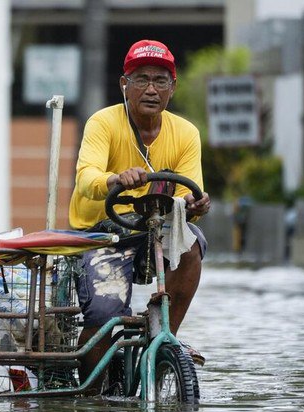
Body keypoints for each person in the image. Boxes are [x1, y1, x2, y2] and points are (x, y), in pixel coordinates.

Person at [70, 39, 211, 380]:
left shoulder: (186, 133)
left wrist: (197, 206)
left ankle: (165, 338)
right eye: (141, 79)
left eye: (160, 81)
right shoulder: (103, 123)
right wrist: (116, 179)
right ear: (125, 85)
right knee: (104, 314)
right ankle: (92, 393)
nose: (151, 89)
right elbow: (86, 176)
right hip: (100, 234)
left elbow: (186, 195)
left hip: (152, 232)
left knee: (191, 242)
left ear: (172, 88)